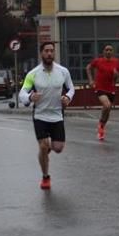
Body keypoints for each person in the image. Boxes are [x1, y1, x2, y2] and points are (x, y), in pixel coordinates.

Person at [19, 42, 75, 190]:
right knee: (44, 146)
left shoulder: (63, 72)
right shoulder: (33, 74)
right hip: (40, 115)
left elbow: (71, 88)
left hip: (57, 115)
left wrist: (68, 98)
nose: (49, 53)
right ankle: (45, 177)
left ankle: (46, 149)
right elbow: (22, 93)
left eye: (51, 51)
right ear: (41, 53)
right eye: (46, 51)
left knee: (58, 148)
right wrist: (30, 98)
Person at [85, 44, 119, 141]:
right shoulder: (98, 61)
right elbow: (88, 67)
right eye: (107, 50)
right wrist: (91, 80)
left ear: (113, 52)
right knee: (106, 105)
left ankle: (102, 126)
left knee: (108, 109)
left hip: (111, 89)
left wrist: (117, 74)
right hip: (100, 88)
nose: (108, 51)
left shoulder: (116, 62)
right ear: (103, 51)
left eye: (110, 50)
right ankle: (100, 125)